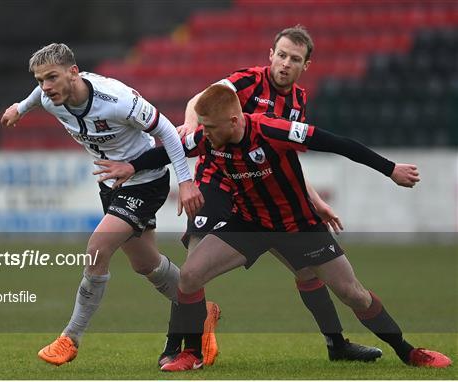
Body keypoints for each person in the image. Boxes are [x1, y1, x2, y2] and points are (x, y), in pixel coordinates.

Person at [95, 25, 382, 366]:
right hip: (216, 181)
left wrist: (314, 202)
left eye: (295, 58)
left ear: (306, 65)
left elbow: (283, 158)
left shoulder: (298, 102)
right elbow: (198, 101)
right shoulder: (247, 81)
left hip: (259, 188)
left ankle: (336, 343)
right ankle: (178, 347)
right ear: (270, 56)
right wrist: (189, 127)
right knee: (194, 266)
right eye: (282, 55)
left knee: (306, 269)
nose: (286, 63)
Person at [144, 84, 451, 371]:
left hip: (299, 227)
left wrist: (391, 169)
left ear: (234, 121)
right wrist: (129, 166)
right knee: (189, 275)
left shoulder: (273, 130)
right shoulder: (208, 136)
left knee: (353, 294)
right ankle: (193, 354)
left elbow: (338, 144)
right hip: (249, 224)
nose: (205, 134)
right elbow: (167, 151)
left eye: (210, 128)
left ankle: (408, 351)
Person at [0, 43, 205, 366]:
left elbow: (166, 129)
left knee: (98, 247)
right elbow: (35, 96)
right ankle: (201, 311)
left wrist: (185, 181)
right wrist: (19, 108)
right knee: (145, 264)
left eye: (51, 77)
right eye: (40, 80)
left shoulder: (117, 100)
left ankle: (70, 337)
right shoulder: (49, 97)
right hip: (110, 184)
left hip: (145, 181)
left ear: (73, 73)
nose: (45, 87)